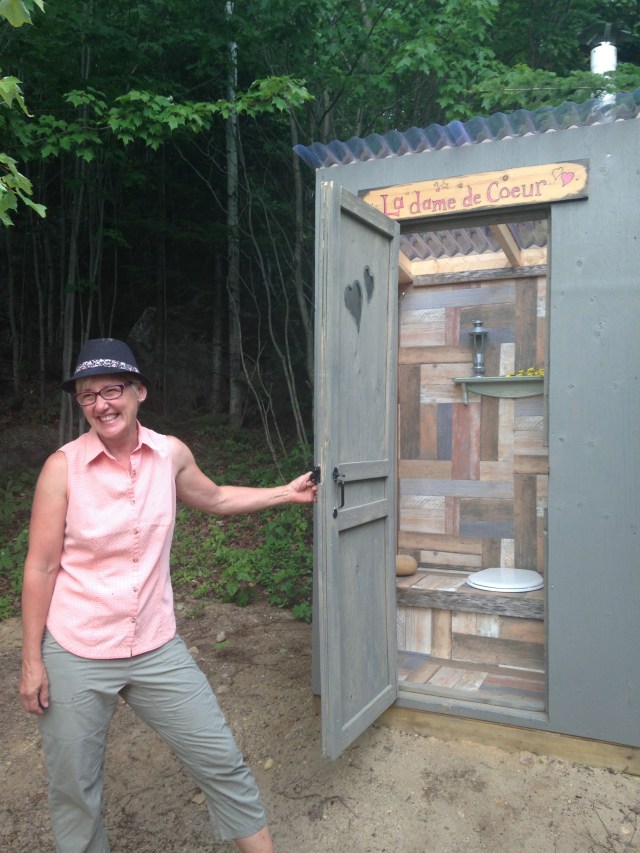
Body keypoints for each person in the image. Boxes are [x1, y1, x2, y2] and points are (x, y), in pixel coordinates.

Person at [19, 337, 317, 853]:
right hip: (76, 648)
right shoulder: (61, 469)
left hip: (155, 643)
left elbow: (217, 497)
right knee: (75, 789)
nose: (101, 404)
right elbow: (41, 565)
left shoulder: (169, 454)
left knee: (220, 758)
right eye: (87, 396)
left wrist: (285, 494)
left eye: (111, 390)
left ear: (139, 392)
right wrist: (31, 661)